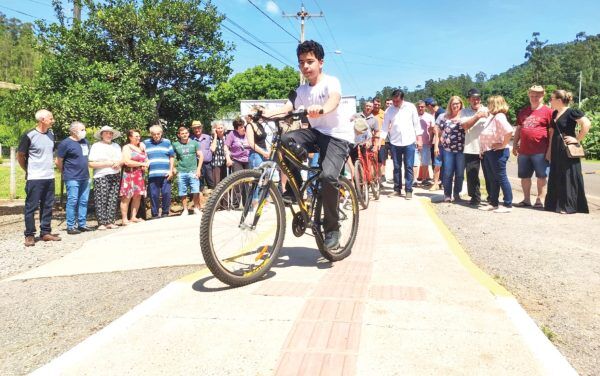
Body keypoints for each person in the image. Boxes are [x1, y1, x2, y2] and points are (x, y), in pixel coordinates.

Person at [265, 40, 353, 250]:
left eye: (310, 61)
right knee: (284, 140)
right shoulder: (301, 90)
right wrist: (262, 114)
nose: (305, 66)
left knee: (328, 177)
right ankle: (295, 189)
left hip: (337, 136)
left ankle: (332, 229)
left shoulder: (332, 82)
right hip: (316, 133)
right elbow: (286, 108)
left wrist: (321, 110)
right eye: (301, 62)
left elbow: (333, 100)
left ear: (321, 62)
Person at [17, 109, 61, 246]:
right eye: (50, 118)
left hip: (49, 176)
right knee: (31, 207)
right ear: (42, 120)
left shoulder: (51, 134)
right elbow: (20, 155)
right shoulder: (29, 135)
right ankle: (29, 235)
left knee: (47, 205)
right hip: (35, 177)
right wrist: (28, 170)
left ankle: (45, 232)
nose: (53, 120)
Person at [545, 90, 591, 214]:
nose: (550, 101)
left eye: (552, 98)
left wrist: (576, 139)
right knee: (556, 174)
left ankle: (568, 206)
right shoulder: (555, 113)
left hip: (567, 149)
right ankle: (555, 205)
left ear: (559, 100)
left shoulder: (571, 112)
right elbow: (552, 133)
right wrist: (549, 150)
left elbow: (586, 124)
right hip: (556, 149)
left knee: (568, 176)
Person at [513, 85, 553, 208]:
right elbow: (519, 129)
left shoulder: (549, 112)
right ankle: (526, 199)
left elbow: (552, 133)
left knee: (541, 176)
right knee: (524, 176)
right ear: (529, 95)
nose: (534, 98)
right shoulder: (523, 111)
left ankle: (540, 200)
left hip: (540, 151)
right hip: (524, 151)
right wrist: (514, 144)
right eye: (532, 95)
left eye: (537, 95)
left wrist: (549, 151)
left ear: (543, 96)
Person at [379, 89, 423, 200]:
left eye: (397, 101)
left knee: (408, 166)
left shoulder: (411, 107)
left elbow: (416, 124)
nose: (395, 103)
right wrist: (381, 141)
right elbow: (384, 127)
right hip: (395, 142)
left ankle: (408, 190)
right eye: (393, 101)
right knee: (397, 167)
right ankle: (397, 190)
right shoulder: (389, 110)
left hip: (409, 142)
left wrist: (419, 139)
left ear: (402, 99)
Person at [478, 96, 514, 213]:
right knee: (492, 178)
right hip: (489, 151)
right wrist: (483, 149)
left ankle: (508, 204)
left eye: (489, 104)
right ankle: (493, 203)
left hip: (498, 152)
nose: (488, 106)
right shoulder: (492, 117)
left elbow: (509, 131)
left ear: (495, 104)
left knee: (501, 177)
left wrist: (503, 145)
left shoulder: (499, 116)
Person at [56, 121, 92, 234]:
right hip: (72, 177)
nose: (84, 132)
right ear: (73, 131)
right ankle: (71, 226)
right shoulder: (65, 143)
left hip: (85, 176)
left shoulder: (85, 142)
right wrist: (64, 172)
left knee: (84, 201)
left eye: (84, 129)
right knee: (73, 201)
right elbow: (58, 161)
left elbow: (86, 158)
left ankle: (82, 224)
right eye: (82, 130)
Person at [460, 88, 492, 205]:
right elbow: (465, 126)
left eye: (478, 98)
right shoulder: (464, 112)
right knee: (472, 174)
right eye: (473, 99)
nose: (476, 101)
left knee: (489, 174)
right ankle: (475, 197)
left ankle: (491, 197)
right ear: (469, 100)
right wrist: (477, 116)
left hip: (486, 148)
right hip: (470, 147)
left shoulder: (488, 110)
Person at [88, 126, 123, 230]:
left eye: (110, 133)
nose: (109, 135)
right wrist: (107, 163)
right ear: (102, 134)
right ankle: (101, 222)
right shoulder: (96, 146)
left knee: (113, 198)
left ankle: (110, 221)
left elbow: (121, 159)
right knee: (101, 199)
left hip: (115, 173)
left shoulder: (116, 146)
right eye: (106, 133)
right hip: (101, 174)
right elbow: (91, 163)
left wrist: (118, 163)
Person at [435, 96, 466, 203]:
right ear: (450, 105)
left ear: (461, 104)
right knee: (447, 173)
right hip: (447, 150)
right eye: (453, 103)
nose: (456, 105)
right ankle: (447, 195)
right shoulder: (443, 116)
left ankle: (457, 194)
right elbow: (438, 133)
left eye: (458, 103)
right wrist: (436, 146)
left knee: (460, 174)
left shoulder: (464, 116)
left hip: (461, 150)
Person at [143, 124, 174, 218]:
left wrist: (171, 171)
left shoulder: (167, 142)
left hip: (165, 173)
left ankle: (165, 213)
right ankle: (155, 214)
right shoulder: (145, 143)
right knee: (153, 195)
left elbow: (171, 157)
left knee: (166, 193)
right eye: (154, 134)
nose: (156, 136)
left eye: (158, 134)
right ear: (151, 134)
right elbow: (142, 154)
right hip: (153, 173)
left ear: (161, 133)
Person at [120, 129, 149, 225]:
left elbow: (146, 159)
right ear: (130, 137)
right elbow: (127, 162)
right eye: (136, 136)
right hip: (129, 174)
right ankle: (124, 219)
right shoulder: (127, 147)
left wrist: (145, 165)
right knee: (127, 197)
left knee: (137, 196)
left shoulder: (141, 147)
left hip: (139, 175)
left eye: (139, 136)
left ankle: (133, 217)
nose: (138, 138)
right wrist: (141, 163)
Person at [173, 126, 203, 215]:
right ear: (179, 135)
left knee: (195, 190)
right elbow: (172, 157)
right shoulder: (175, 144)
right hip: (181, 171)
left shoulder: (194, 143)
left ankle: (196, 208)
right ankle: (185, 209)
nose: (184, 135)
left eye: (186, 133)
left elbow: (201, 156)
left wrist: (198, 169)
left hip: (193, 170)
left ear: (188, 134)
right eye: (182, 134)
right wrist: (174, 167)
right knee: (182, 191)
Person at [424, 98, 445, 191]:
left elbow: (438, 129)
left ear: (429, 106)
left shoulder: (440, 113)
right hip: (436, 141)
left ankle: (441, 182)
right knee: (436, 162)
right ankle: (438, 181)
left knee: (439, 163)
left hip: (440, 142)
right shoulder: (436, 113)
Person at [190, 120, 215, 189]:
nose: (197, 130)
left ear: (201, 128)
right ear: (193, 129)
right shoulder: (190, 139)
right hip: (197, 165)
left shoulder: (208, 137)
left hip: (208, 164)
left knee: (211, 182)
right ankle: (200, 198)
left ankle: (213, 198)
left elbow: (214, 147)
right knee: (199, 184)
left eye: (198, 127)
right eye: (195, 128)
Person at [415, 100, 435, 185]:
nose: (420, 108)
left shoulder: (430, 117)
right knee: (414, 162)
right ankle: (414, 180)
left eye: (422, 107)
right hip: (414, 142)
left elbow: (433, 129)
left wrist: (431, 140)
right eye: (419, 106)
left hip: (426, 142)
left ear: (425, 107)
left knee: (425, 161)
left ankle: (424, 179)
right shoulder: (413, 116)